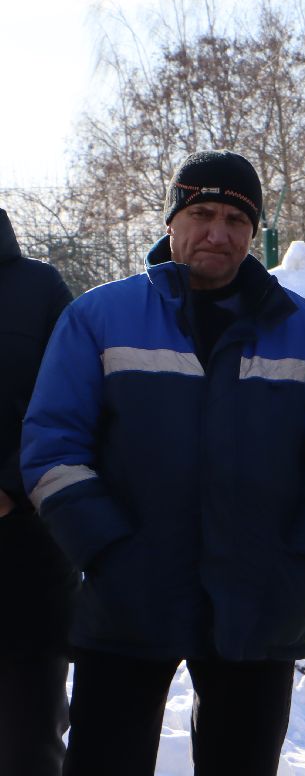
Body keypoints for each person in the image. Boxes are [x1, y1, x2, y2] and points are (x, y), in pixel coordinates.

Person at [21, 151, 305, 776]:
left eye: (237, 217)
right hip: (128, 597)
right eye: (202, 212)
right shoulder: (100, 319)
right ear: (172, 221)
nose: (219, 231)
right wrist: (106, 553)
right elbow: (53, 446)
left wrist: (303, 562)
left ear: (253, 231)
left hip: (261, 601)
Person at [0, 208, 73, 776]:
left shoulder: (38, 288)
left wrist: (8, 482)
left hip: (23, 554)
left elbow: (69, 403)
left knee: (27, 744)